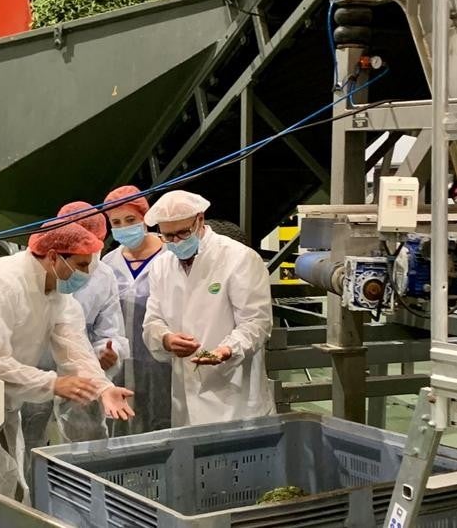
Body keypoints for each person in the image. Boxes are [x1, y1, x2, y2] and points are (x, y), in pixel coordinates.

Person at [0, 220, 135, 502]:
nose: (85, 275)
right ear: (54, 256)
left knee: (5, 480)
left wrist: (102, 388)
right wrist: (53, 383)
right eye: (81, 266)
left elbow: (75, 349)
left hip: (2, 396)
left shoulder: (59, 294)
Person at [141, 190, 274, 427]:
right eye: (168, 236)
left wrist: (227, 350)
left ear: (200, 220)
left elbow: (257, 322)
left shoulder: (239, 258)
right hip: (185, 394)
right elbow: (153, 320)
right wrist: (165, 338)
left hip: (235, 396)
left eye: (183, 232)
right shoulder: (162, 265)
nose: (176, 242)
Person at [21, 202, 129, 471]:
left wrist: (108, 352)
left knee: (87, 450)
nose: (83, 264)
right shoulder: (27, 272)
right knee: (22, 442)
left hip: (82, 374)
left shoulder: (103, 277)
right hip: (32, 369)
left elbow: (108, 331)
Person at [101, 185, 173, 436]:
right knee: (120, 426)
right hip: (118, 363)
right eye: (116, 222)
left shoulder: (169, 258)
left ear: (145, 217)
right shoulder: (108, 263)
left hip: (162, 362)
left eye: (130, 219)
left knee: (163, 421)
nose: (124, 227)